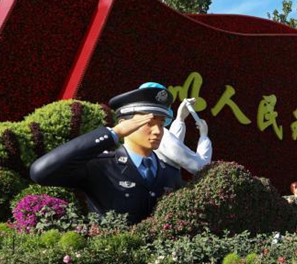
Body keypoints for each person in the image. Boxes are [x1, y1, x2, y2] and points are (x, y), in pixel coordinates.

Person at [29, 83, 211, 224]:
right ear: (125, 124)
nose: (158, 131)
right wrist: (112, 134)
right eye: (148, 123)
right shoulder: (101, 166)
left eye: (162, 124)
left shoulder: (170, 173)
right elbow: (41, 172)